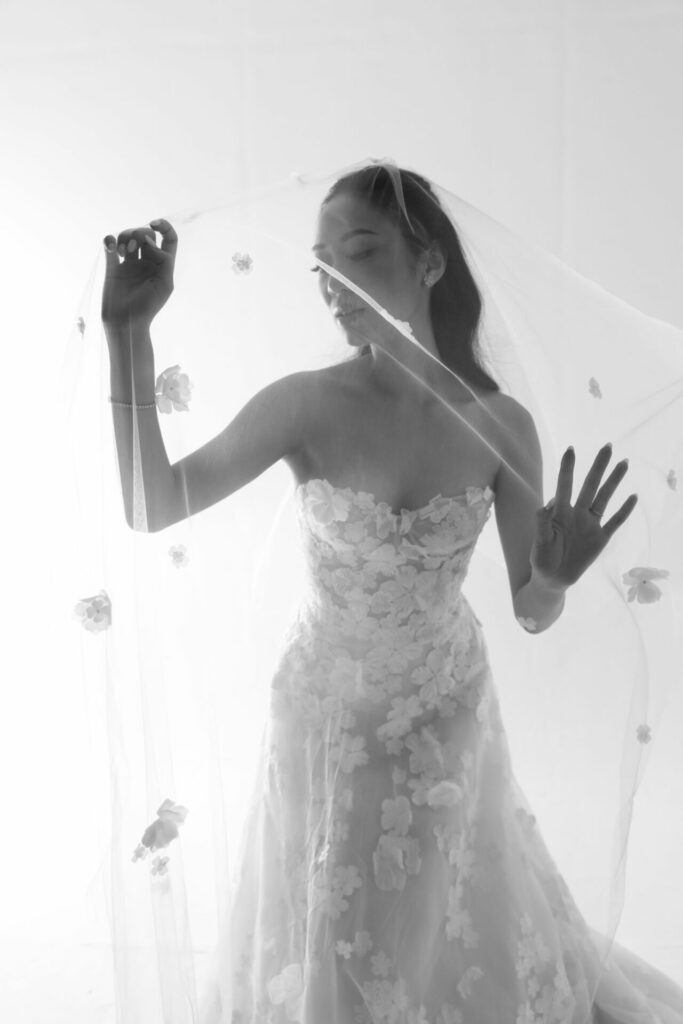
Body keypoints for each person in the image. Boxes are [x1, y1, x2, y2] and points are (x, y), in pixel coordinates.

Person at [99, 164, 683, 1023]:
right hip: (325, 712)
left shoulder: (498, 424)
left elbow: (530, 610)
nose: (332, 283)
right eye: (319, 264)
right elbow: (152, 505)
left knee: (448, 913)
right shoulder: (304, 405)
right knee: (331, 921)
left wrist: (553, 575)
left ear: (429, 263)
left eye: (359, 252)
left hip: (446, 708)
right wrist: (128, 336)